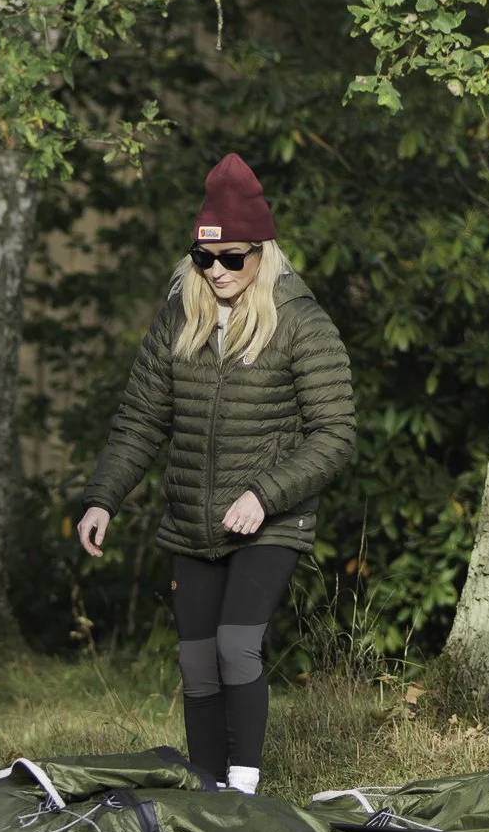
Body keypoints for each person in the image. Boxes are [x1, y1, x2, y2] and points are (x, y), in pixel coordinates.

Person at [74, 153, 354, 795]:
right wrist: (103, 500)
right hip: (191, 520)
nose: (219, 271)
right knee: (197, 662)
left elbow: (336, 435)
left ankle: (244, 791)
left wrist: (265, 493)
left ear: (262, 252)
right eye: (207, 258)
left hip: (272, 518)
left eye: (233, 257)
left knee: (235, 647)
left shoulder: (300, 322)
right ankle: (204, 793)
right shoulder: (180, 317)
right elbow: (141, 419)